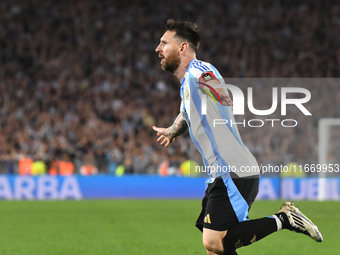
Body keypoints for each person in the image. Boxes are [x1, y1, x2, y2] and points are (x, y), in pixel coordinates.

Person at [153, 19, 322, 255]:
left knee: (214, 241)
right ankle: (284, 218)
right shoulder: (186, 87)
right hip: (220, 172)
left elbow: (210, 79)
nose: (157, 49)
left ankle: (285, 218)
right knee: (215, 248)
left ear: (182, 48)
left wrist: (218, 91)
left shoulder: (197, 70)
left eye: (163, 43)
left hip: (233, 169)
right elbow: (185, 114)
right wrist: (172, 130)